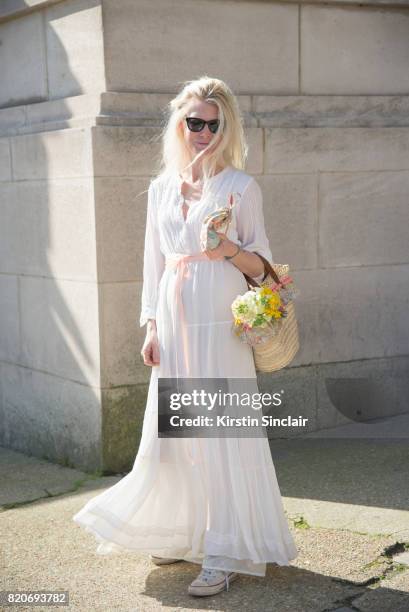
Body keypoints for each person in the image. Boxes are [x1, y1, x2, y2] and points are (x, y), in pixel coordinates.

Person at [73, 75, 298, 597]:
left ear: (227, 128)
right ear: (180, 122)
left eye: (213, 125)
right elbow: (153, 263)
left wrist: (226, 250)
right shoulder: (160, 188)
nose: (202, 132)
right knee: (178, 432)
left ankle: (222, 548)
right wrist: (150, 323)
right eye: (193, 122)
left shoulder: (241, 187)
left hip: (219, 320)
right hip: (174, 323)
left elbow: (265, 269)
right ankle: (179, 531)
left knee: (218, 431)